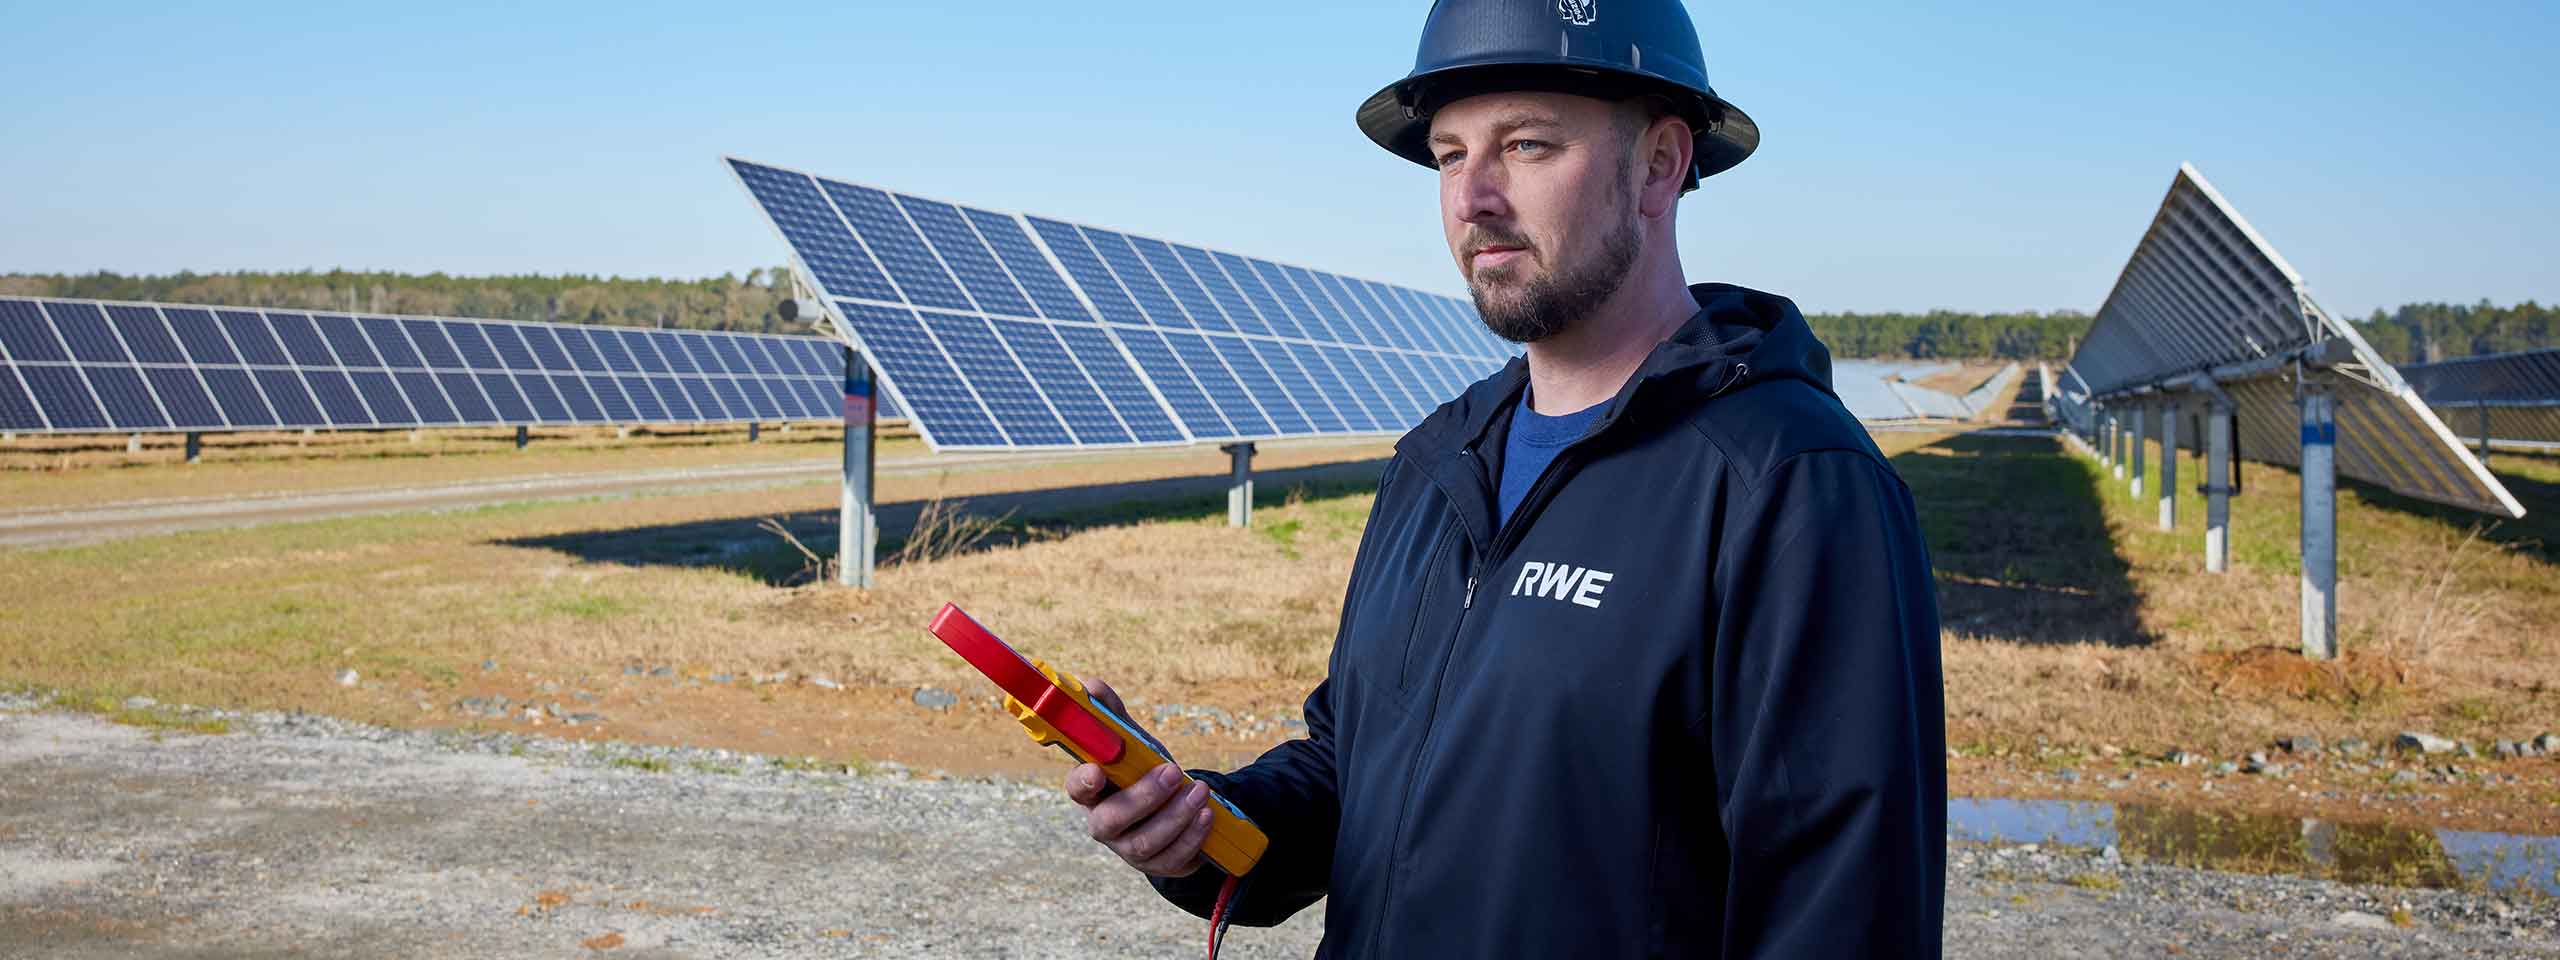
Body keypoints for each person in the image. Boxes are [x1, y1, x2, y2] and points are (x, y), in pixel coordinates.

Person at [1064, 1, 1946, 955]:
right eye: (1449, 155)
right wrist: (1197, 825)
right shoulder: (1439, 461)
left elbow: (1841, 915)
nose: (1472, 197)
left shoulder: (1789, 482)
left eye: (1525, 146)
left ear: (1660, 164)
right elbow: (1353, 770)